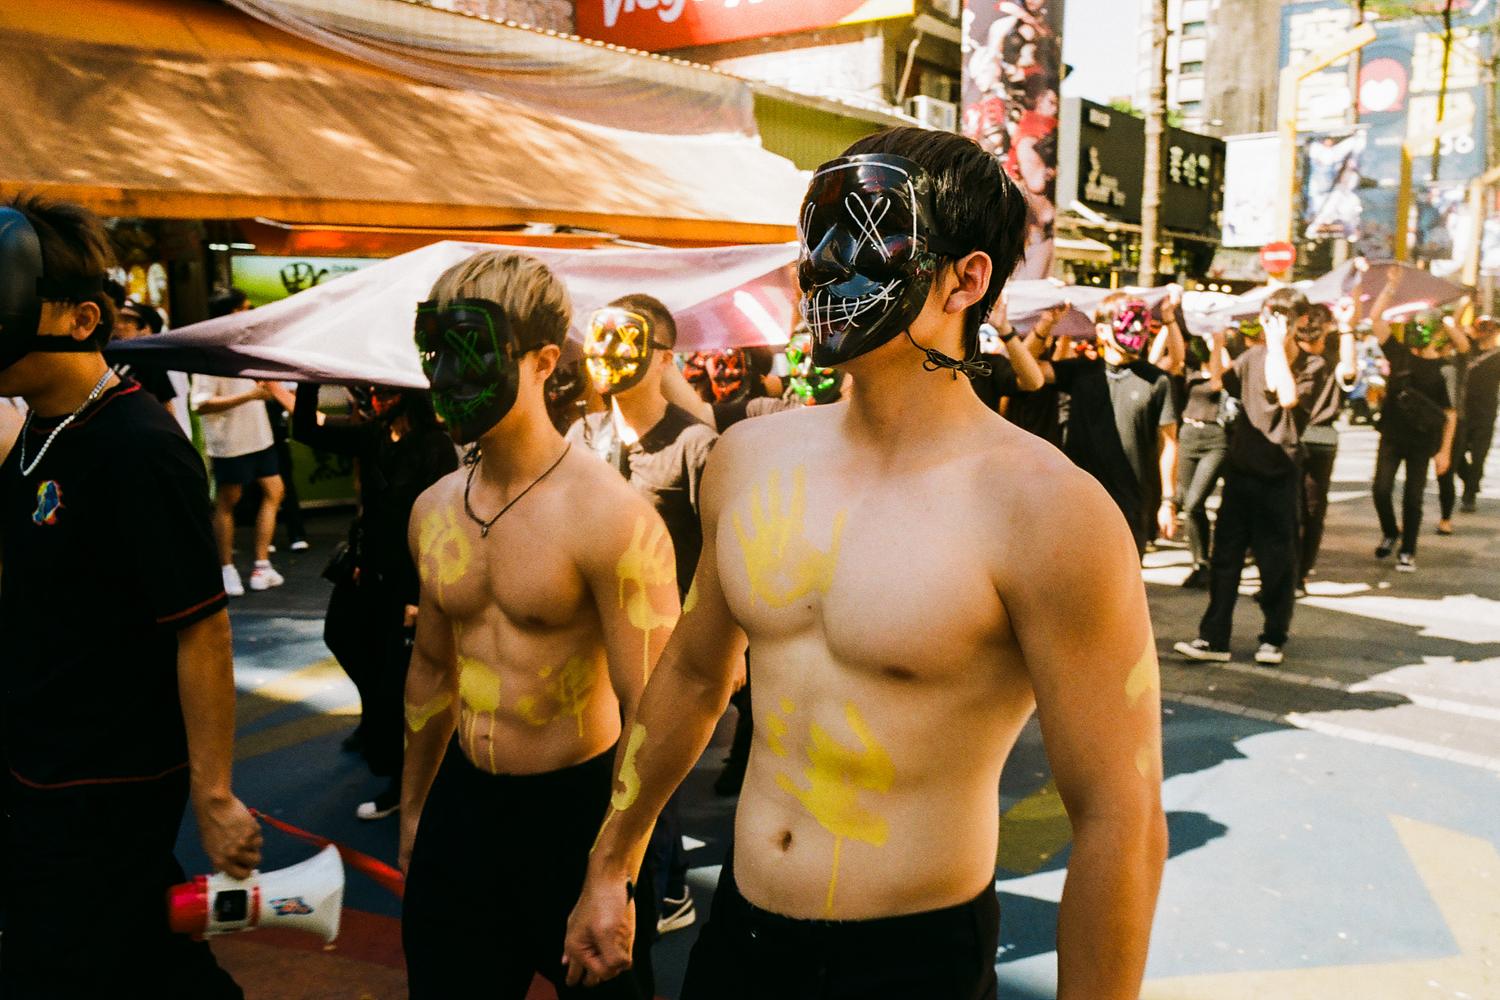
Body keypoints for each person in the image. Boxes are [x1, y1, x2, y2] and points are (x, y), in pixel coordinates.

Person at [564, 128, 1167, 1000]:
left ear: (967, 279)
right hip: (739, 938)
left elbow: (1119, 817)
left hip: (912, 964)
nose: (820, 267)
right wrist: (611, 863)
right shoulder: (749, 461)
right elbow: (694, 674)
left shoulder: (1048, 514)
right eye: (816, 235)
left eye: (865, 236)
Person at [0, 196, 261, 996]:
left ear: (82, 319)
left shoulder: (141, 447)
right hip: (40, 766)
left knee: (93, 963)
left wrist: (213, 794)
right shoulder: (39, 431)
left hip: (106, 783)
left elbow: (202, 629)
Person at [399, 251, 673, 999]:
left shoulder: (611, 517)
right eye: (435, 351)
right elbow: (431, 668)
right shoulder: (433, 510)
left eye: (472, 351)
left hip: (578, 815)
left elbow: (655, 707)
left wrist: (614, 870)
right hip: (464, 805)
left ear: (544, 361)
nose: (447, 376)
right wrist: (416, 809)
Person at [568, 294, 719, 936]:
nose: (608, 354)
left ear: (663, 359)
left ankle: (663, 890)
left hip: (666, 647)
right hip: (590, 644)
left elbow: (720, 554)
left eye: (626, 342)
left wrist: (722, 648)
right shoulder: (581, 437)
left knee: (649, 768)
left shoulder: (694, 446)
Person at [294, 382, 457, 819]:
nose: (374, 398)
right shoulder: (375, 436)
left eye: (383, 391)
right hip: (367, 571)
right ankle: (376, 724)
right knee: (342, 636)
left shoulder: (434, 445)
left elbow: (441, 525)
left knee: (396, 682)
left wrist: (421, 595)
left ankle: (403, 780)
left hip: (407, 582)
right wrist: (309, 378)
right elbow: (306, 429)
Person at [1175, 288, 1316, 666]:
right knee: (1225, 559)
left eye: (1284, 316)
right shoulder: (1252, 357)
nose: (1275, 323)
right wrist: (1218, 340)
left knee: (1276, 563)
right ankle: (1214, 638)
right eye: (1270, 315)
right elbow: (1219, 382)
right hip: (1242, 472)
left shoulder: (1313, 365)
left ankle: (1273, 637)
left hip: (1280, 475)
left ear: (1301, 321)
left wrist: (1277, 346)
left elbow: (1285, 396)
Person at [1039, 294, 1181, 555]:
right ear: (1102, 330)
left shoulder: (1157, 381)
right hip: (1078, 499)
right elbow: (1030, 371)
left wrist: (1168, 501)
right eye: (1127, 322)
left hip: (1131, 504)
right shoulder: (1080, 372)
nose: (1135, 329)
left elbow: (1169, 443)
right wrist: (1044, 326)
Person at [190, 288, 286, 596]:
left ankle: (261, 565)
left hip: (260, 437)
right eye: (245, 307)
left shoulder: (248, 346)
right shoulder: (211, 351)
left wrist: (266, 393)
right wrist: (250, 395)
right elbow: (200, 403)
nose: (250, 311)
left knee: (275, 491)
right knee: (228, 500)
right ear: (233, 312)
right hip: (230, 442)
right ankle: (226, 569)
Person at [1367, 298, 1460, 571]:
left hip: (1422, 441)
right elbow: (1376, 319)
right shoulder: (1400, 355)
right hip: (1392, 435)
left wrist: (1444, 452)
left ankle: (1408, 549)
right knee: (1381, 489)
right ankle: (1390, 531)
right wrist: (1391, 287)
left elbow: (1450, 414)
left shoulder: (1446, 369)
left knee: (1413, 497)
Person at [1296, 300, 1357, 592]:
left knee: (1303, 510)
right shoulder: (1322, 360)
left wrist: (1345, 327)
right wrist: (1345, 327)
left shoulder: (1306, 360)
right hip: (1312, 440)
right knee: (1310, 511)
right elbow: (1350, 369)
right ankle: (1297, 573)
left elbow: (1350, 370)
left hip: (1305, 440)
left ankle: (1296, 572)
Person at [1174, 332, 1230, 589]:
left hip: (1214, 440)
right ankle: (1200, 563)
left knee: (1195, 501)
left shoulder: (1222, 370)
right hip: (1188, 437)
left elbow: (1218, 381)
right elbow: (1167, 361)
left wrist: (1217, 341)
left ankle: (1207, 561)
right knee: (1189, 504)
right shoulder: (1188, 373)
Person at [1456, 316, 1500, 511]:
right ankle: (1470, 481)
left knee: (1479, 455)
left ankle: (1469, 496)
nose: (1486, 332)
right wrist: (1465, 302)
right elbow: (1454, 325)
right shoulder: (1467, 348)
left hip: (1486, 412)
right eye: (1482, 327)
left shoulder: (1498, 356)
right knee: (1456, 454)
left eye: (1491, 328)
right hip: (1463, 411)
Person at [111, 298, 178, 412]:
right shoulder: (106, 357)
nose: (120, 326)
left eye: (127, 321)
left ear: (140, 328)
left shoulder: (149, 361)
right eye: (118, 320)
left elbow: (166, 404)